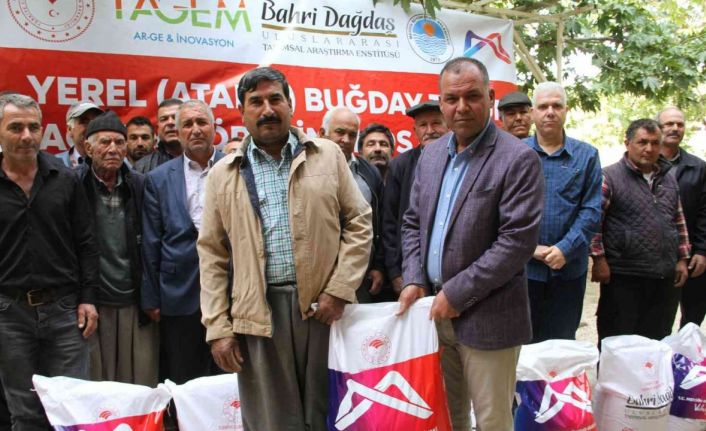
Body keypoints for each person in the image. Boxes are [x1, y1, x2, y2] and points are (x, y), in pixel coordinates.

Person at [197, 67, 372, 431]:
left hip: (323, 311)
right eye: (256, 102)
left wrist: (339, 289)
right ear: (242, 111)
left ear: (290, 104)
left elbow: (359, 221)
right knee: (271, 421)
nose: (267, 110)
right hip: (258, 316)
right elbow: (212, 255)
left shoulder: (327, 155)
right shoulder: (222, 174)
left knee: (333, 413)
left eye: (275, 99)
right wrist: (218, 328)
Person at [399, 58, 544, 431]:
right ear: (441, 102)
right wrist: (414, 277)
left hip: (489, 316)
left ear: (490, 98)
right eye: (451, 99)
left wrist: (456, 294)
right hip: (433, 313)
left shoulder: (518, 158)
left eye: (472, 97)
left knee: (492, 421)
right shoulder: (431, 155)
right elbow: (412, 222)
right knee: (448, 417)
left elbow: (516, 243)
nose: (461, 107)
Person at [0, 93, 99, 430]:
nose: (27, 136)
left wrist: (88, 298)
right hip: (9, 315)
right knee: (24, 412)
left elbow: (86, 243)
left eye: (34, 127)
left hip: (65, 313)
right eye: (16, 127)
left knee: (72, 408)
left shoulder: (66, 179)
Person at [141, 99, 224, 385]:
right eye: (187, 124)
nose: (195, 129)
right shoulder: (158, 178)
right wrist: (151, 297)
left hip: (230, 290)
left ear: (214, 128)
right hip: (178, 293)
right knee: (184, 379)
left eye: (202, 122)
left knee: (228, 378)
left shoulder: (236, 166)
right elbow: (151, 241)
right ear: (177, 132)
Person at [77, 111, 158, 386]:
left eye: (119, 142)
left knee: (139, 383)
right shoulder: (74, 185)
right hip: (93, 302)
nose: (113, 149)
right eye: (104, 142)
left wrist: (152, 296)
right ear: (88, 148)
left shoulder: (140, 185)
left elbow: (152, 244)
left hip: (135, 301)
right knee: (97, 385)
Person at [591, 118, 690, 341]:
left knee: (657, 341)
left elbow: (678, 221)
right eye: (642, 142)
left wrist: (683, 259)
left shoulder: (668, 179)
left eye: (655, 143)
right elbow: (594, 221)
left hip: (664, 277)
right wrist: (598, 259)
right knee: (618, 340)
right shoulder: (609, 177)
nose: (649, 148)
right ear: (627, 143)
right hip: (624, 276)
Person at [523, 82, 602, 342]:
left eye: (557, 106)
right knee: (524, 346)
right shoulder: (515, 153)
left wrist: (565, 249)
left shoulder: (587, 155)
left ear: (566, 111)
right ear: (532, 112)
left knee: (562, 344)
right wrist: (529, 248)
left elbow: (592, 210)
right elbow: (501, 210)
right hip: (524, 270)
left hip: (569, 271)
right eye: (543, 106)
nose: (550, 112)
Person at [319, 106, 384, 303]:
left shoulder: (370, 172)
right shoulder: (304, 167)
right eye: (340, 132)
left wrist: (378, 265)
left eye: (352, 135)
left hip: (359, 276)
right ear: (322, 133)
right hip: (317, 275)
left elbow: (379, 223)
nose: (346, 140)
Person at [383, 100, 448, 296]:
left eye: (436, 123)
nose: (430, 130)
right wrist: (395, 272)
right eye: (423, 125)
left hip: (451, 269)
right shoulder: (400, 166)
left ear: (448, 124)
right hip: (411, 270)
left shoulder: (461, 161)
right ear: (415, 130)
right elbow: (389, 222)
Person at [658, 107, 706, 328]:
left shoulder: (698, 167)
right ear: (658, 128)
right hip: (655, 256)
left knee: (692, 318)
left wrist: (702, 251)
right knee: (657, 318)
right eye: (669, 124)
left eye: (680, 124)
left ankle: (686, 350)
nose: (675, 128)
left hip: (692, 255)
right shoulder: (645, 163)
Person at [134, 98, 183, 173]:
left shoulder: (202, 160)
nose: (170, 122)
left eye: (175, 117)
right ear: (157, 128)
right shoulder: (142, 167)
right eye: (164, 119)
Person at [56, 101, 103, 168]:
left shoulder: (116, 164)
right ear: (70, 129)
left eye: (96, 121)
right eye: (85, 121)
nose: (91, 126)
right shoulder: (55, 164)